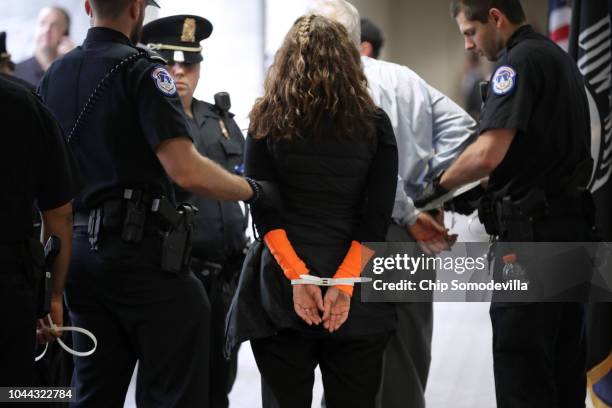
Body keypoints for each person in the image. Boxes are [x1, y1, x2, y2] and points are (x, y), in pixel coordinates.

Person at [38, 0, 262, 406]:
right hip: (138, 253)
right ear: (138, 9)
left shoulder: (55, 74)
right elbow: (185, 170)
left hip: (77, 257)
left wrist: (54, 285)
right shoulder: (144, 70)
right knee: (174, 386)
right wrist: (251, 190)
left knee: (92, 389)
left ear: (87, 5)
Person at [416, 0, 596, 406]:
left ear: (495, 17)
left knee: (524, 379)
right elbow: (532, 158)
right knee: (563, 373)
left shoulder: (517, 64)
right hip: (571, 233)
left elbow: (487, 154)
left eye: (469, 32)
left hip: (533, 244)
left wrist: (433, 191)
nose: (468, 45)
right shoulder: (556, 56)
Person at [308, 2, 477, 408]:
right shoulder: (404, 78)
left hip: (353, 232)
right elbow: (463, 129)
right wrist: (429, 193)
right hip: (408, 235)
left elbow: (364, 168)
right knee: (407, 350)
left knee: (349, 358)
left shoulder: (329, 87)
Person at [241, 14, 398, 408]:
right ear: (349, 62)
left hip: (282, 292)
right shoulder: (375, 124)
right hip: (357, 295)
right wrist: (342, 285)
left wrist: (299, 278)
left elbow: (264, 211)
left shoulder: (265, 120)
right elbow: (376, 218)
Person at [141, 15, 248, 408]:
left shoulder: (218, 120)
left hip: (225, 275)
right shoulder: (147, 120)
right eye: (169, 63)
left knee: (219, 379)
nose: (180, 71)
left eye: (189, 63)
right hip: (175, 273)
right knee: (173, 382)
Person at [0, 76, 78, 388]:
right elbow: (59, 214)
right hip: (8, 287)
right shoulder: (23, 103)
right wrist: (52, 297)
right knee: (15, 392)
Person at [15, 6, 74, 86]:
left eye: (54, 25)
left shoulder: (75, 71)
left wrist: (74, 63)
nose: (47, 29)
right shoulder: (16, 72)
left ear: (65, 34)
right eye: (42, 23)